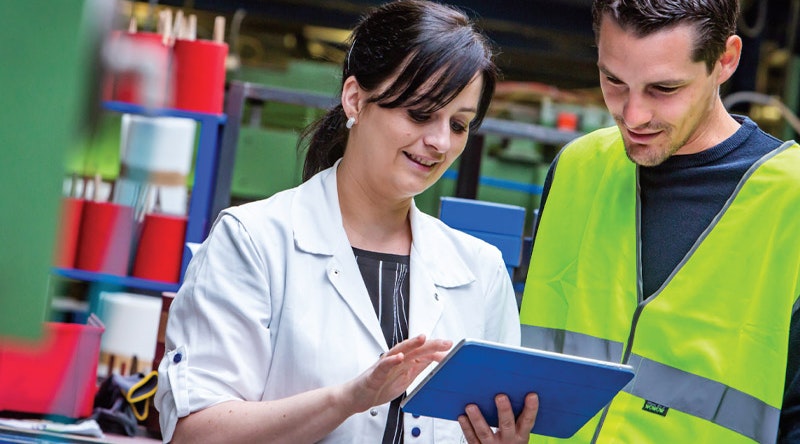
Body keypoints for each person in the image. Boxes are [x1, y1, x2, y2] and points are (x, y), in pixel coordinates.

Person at [154, 1, 539, 443]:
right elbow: (195, 434)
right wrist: (348, 398)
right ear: (355, 98)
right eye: (419, 113)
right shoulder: (254, 241)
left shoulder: (481, 272)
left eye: (459, 124)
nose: (439, 142)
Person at [519, 0, 800, 443]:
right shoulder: (577, 168)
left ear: (725, 60)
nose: (632, 116)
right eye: (613, 79)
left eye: (663, 89)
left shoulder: (791, 199)